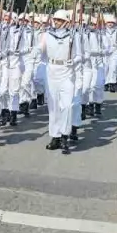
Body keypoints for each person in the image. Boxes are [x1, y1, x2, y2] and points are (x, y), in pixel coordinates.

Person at [41, 8, 76, 154]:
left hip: (67, 73)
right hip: (52, 71)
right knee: (53, 106)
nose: (57, 22)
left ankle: (65, 135)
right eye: (55, 20)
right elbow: (40, 51)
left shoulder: (73, 36)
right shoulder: (47, 35)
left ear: (66, 22)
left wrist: (74, 61)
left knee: (67, 106)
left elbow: (81, 54)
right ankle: (55, 137)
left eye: (60, 20)